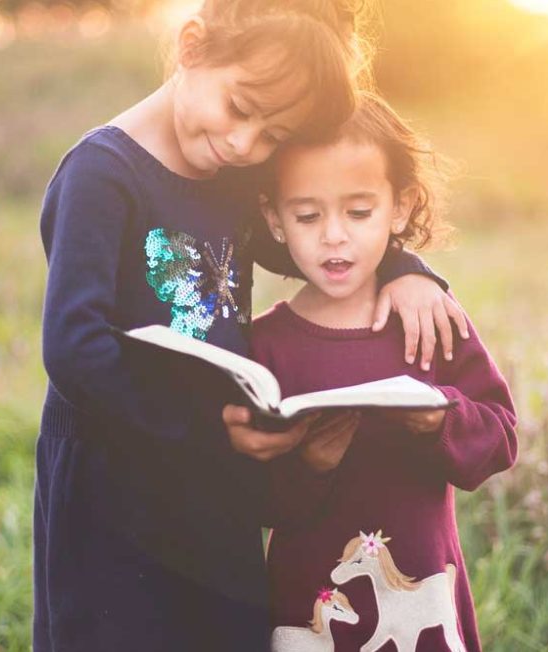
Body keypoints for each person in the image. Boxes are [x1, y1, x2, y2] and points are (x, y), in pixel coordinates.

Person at [34, 2, 467, 649]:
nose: (245, 145)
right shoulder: (103, 175)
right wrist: (209, 430)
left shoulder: (230, 176)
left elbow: (313, 248)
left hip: (215, 484)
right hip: (113, 487)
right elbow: (73, 349)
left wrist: (406, 267)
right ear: (191, 47)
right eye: (240, 109)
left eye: (272, 137)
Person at [253, 92, 518, 652]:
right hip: (309, 600)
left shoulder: (428, 319)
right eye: (307, 215)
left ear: (399, 207)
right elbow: (248, 498)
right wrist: (309, 464)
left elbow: (500, 437)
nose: (333, 235)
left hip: (420, 588)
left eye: (358, 212)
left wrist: (441, 417)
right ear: (274, 218)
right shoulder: (265, 345)